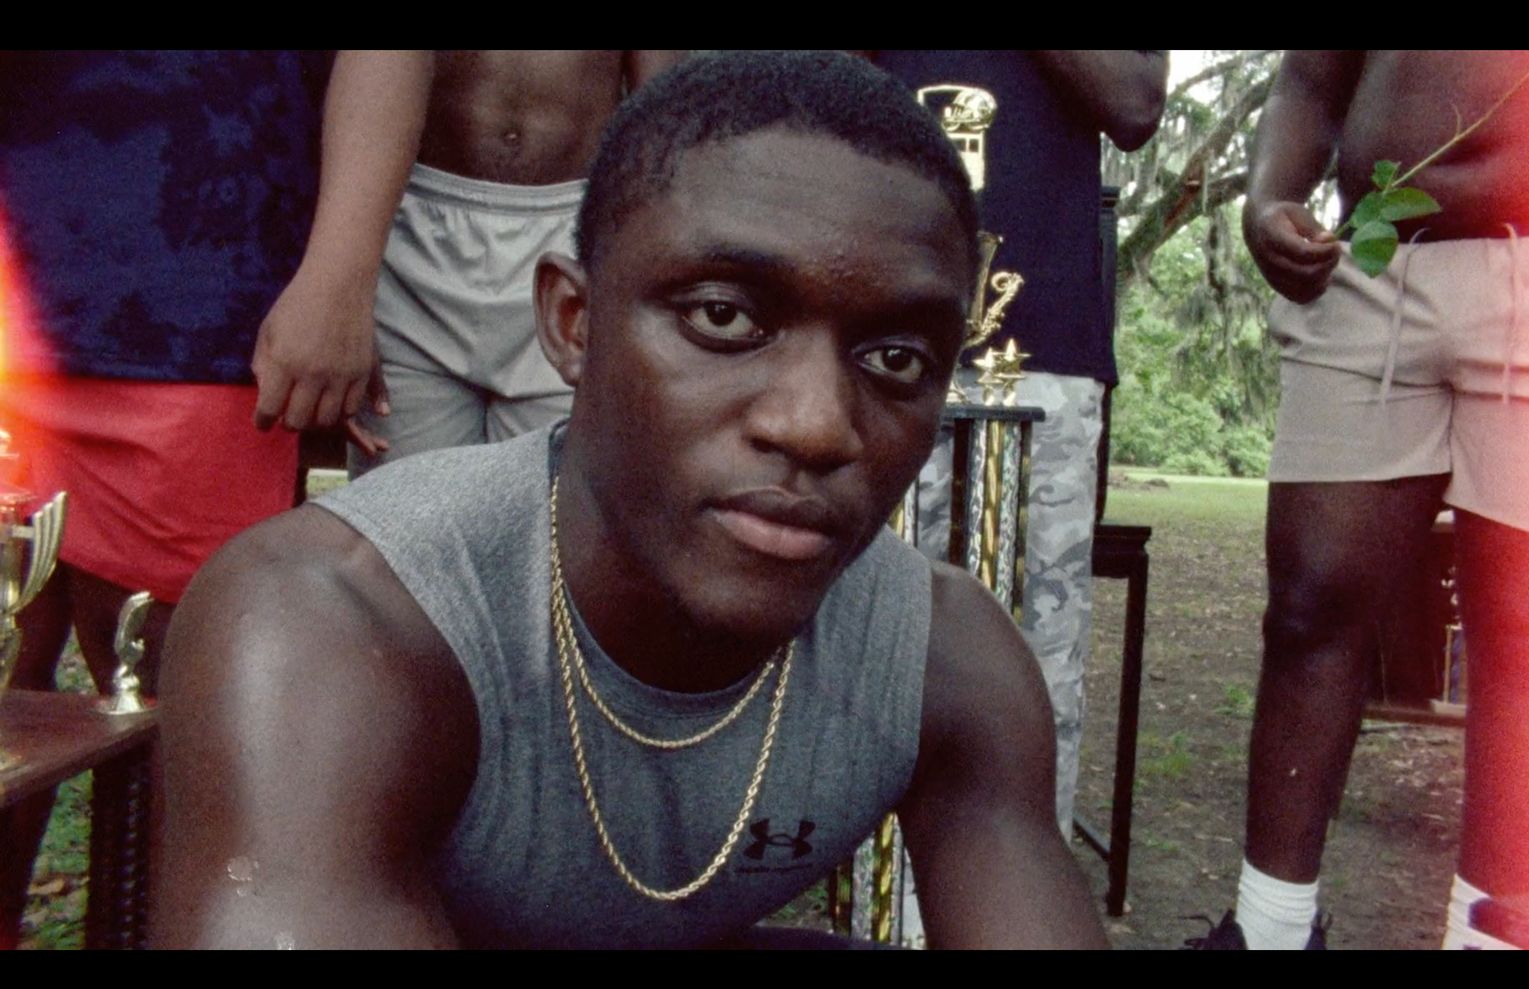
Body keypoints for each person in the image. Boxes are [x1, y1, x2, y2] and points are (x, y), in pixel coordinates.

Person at [150, 51, 1109, 950]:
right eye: (723, 316)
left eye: (896, 359)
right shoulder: (330, 620)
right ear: (573, 323)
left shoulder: (945, 661)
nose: (816, 426)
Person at [1192, 50, 1529, 950]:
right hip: (1369, 261)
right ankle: (1267, 929)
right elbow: (1309, 78)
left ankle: (1490, 937)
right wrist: (1268, 200)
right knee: (1309, 602)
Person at [0, 51, 335, 947]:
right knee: (6, 678)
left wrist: (339, 269)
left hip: (201, 278)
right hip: (18, 262)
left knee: (174, 710)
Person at [874, 51, 1167, 832]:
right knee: (873, 643)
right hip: (881, 332)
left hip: (1042, 352)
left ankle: (1013, 893)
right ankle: (878, 905)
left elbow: (1137, 104)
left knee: (1038, 661)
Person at [250, 51, 685, 478]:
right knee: (410, 509)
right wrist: (341, 290)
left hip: (570, 243)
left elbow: (665, 112)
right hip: (405, 237)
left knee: (553, 507)